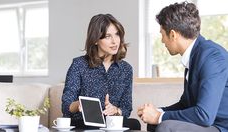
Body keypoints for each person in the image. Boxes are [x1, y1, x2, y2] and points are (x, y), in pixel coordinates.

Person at [137, 2, 228, 132]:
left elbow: (204, 115)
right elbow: (186, 105)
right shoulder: (194, 55)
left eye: (162, 34)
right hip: (210, 124)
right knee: (155, 123)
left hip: (221, 127)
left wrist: (159, 116)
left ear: (173, 35)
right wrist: (157, 111)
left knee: (165, 126)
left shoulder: (211, 57)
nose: (162, 41)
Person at [62, 13, 140, 130]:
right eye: (107, 36)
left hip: (112, 123)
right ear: (96, 40)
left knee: (134, 124)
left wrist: (115, 110)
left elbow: (126, 108)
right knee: (91, 125)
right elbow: (66, 105)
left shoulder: (126, 69)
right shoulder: (79, 64)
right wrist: (78, 105)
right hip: (83, 122)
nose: (114, 41)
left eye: (117, 34)